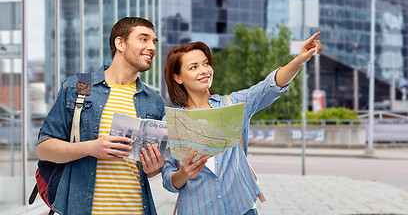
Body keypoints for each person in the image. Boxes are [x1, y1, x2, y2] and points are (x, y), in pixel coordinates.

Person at [161, 32, 322, 215]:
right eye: (193, 67)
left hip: (241, 208)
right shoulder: (169, 123)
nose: (204, 70)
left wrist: (299, 60)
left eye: (206, 63)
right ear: (178, 77)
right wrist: (184, 172)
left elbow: (269, 86)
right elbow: (169, 180)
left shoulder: (234, 104)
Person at [37, 17, 165, 215]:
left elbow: (149, 171)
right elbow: (44, 149)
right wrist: (91, 148)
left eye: (154, 41)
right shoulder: (78, 87)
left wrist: (154, 167)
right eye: (144, 39)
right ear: (120, 43)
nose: (152, 47)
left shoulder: (154, 101)